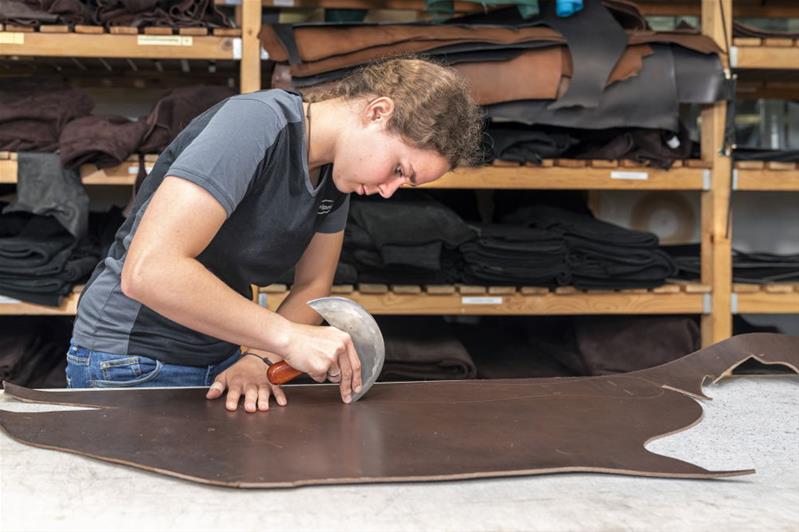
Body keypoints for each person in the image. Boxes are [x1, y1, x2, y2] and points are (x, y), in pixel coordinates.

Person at [65, 57, 483, 413]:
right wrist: (286, 337)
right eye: (397, 170)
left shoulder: (338, 179)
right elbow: (149, 271)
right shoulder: (255, 124)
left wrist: (259, 359)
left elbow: (313, 286)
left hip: (222, 359)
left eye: (404, 184)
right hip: (131, 360)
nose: (389, 191)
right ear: (377, 112)